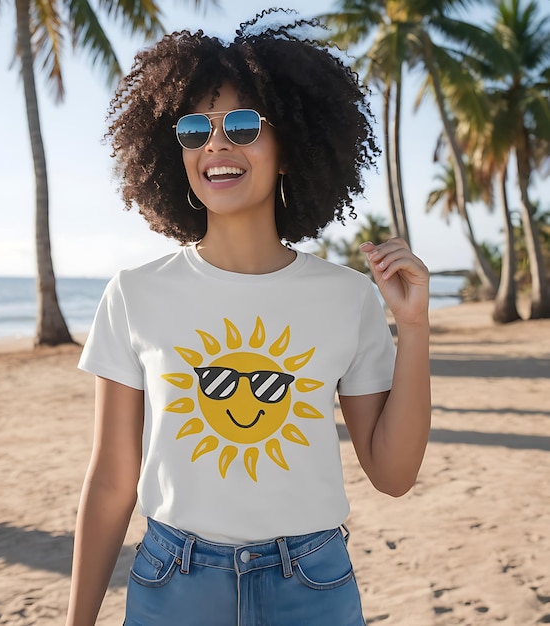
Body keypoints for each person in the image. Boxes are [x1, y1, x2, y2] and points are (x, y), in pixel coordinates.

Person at [65, 8, 431, 626]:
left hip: (310, 584)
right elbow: (111, 479)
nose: (217, 144)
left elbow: (393, 475)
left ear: (290, 146)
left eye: (242, 124)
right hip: (173, 581)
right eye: (193, 130)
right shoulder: (134, 294)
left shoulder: (349, 298)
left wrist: (415, 330)